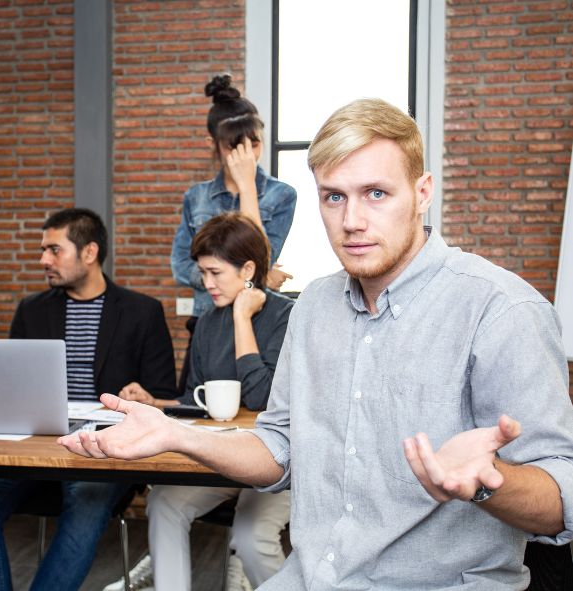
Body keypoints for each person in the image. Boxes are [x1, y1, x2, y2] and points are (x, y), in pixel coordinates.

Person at [59, 99, 573, 590]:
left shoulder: (502, 311)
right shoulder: (313, 308)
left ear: (422, 193)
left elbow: (561, 495)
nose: (351, 221)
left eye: (376, 193)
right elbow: (279, 448)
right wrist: (177, 434)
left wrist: (484, 481)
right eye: (334, 196)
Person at [0, 208, 178, 591]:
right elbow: (12, 388)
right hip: (35, 447)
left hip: (103, 449)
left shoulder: (142, 311)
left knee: (86, 501)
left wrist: (145, 397)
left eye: (54, 250)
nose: (43, 260)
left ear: (89, 252)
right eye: (43, 250)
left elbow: (165, 395)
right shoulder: (32, 310)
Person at [104, 212, 293, 591]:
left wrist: (242, 318)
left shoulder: (287, 316)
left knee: (252, 536)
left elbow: (260, 396)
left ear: (248, 269)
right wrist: (154, 402)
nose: (206, 284)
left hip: (279, 462)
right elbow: (195, 397)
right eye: (202, 273)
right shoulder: (208, 323)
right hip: (224, 458)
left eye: (214, 273)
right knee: (164, 503)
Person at [171, 73, 297, 389]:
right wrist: (233, 277)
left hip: (259, 322)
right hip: (208, 326)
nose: (247, 155)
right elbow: (181, 267)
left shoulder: (282, 195)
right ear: (212, 145)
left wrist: (247, 189)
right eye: (233, 146)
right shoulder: (196, 196)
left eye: (254, 143)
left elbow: (258, 258)